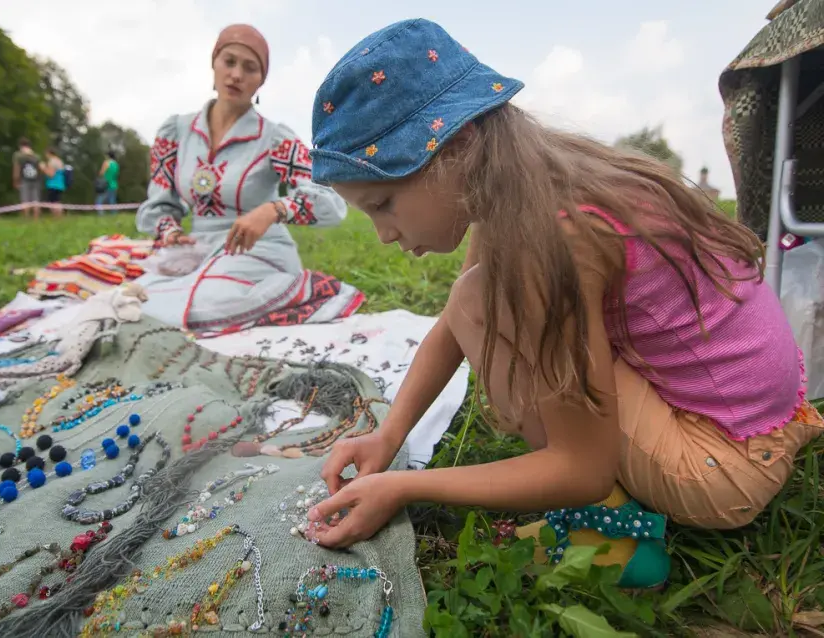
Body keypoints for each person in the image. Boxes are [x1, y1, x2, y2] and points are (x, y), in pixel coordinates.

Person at [304, 19, 823, 589]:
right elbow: (455, 324)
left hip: (722, 463)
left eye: (382, 203)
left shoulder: (548, 236)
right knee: (476, 296)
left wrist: (403, 486)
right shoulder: (526, 182)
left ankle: (611, 530)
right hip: (758, 420)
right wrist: (389, 435)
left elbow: (581, 467)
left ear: (456, 147)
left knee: (484, 300)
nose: (383, 233)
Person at [134, 24, 364, 335]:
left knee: (206, 303)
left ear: (261, 80)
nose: (237, 75)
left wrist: (273, 211)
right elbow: (158, 205)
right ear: (213, 63)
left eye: (250, 67)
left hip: (258, 251)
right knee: (138, 296)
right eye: (229, 62)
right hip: (198, 251)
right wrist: (171, 232)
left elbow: (330, 202)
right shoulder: (175, 133)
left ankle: (300, 289)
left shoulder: (274, 139)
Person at [12, 137, 42, 220]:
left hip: (24, 179)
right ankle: (36, 219)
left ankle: (27, 218)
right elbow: (40, 168)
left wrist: (15, 180)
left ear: (20, 145)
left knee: (25, 199)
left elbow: (16, 168)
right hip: (36, 179)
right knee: (35, 200)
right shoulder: (36, 155)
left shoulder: (18, 155)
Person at [40, 147, 66, 218]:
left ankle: (56, 217)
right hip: (60, 184)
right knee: (57, 201)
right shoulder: (59, 161)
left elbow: (51, 174)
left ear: (49, 153)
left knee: (53, 202)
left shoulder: (52, 161)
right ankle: (59, 217)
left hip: (53, 184)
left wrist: (43, 168)